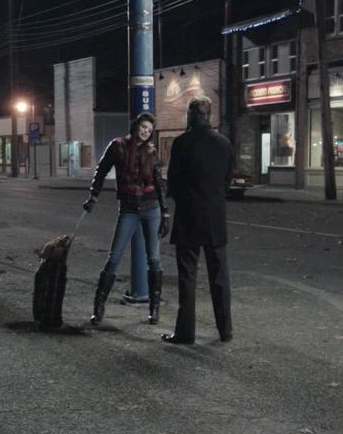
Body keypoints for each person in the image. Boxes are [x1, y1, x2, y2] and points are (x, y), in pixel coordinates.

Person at [83, 112, 170, 326]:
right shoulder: (118, 146)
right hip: (129, 209)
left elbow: (159, 181)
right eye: (143, 127)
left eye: (149, 130)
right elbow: (101, 171)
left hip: (151, 208)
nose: (146, 132)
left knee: (154, 259)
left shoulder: (151, 151)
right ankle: (99, 307)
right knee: (114, 256)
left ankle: (154, 309)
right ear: (136, 125)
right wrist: (94, 195)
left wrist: (165, 212)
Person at [161, 96, 233, 345]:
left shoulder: (181, 143)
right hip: (215, 218)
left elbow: (173, 182)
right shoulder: (224, 143)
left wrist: (183, 198)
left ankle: (185, 332)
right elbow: (227, 181)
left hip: (189, 217)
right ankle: (225, 331)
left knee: (188, 278)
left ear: (191, 115)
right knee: (220, 278)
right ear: (209, 115)